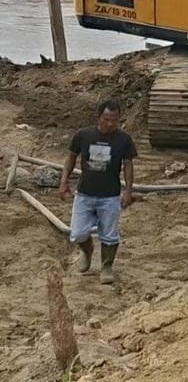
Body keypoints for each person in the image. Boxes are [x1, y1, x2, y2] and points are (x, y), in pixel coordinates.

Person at [58, 100, 137, 284]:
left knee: (109, 234)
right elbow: (71, 158)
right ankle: (87, 250)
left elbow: (128, 165)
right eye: (106, 119)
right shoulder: (83, 135)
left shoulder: (124, 139)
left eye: (114, 120)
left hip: (109, 195)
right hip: (85, 193)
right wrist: (64, 182)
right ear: (98, 117)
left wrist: (128, 191)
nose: (110, 124)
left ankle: (107, 266)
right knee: (77, 233)